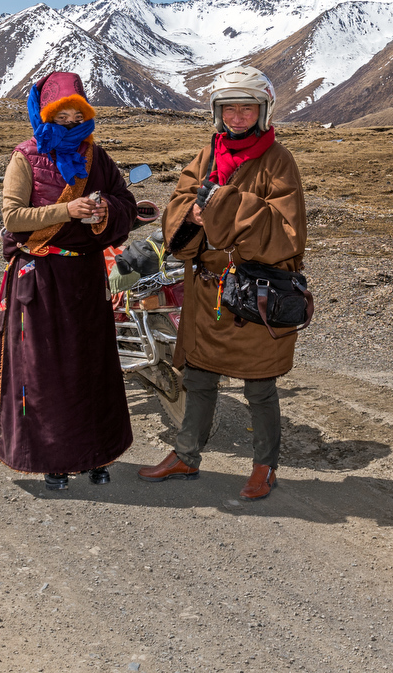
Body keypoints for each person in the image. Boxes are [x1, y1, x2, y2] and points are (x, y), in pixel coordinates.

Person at [138, 65, 307, 500]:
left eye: (246, 107)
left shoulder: (278, 160)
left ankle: (264, 467)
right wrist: (192, 214)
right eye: (228, 108)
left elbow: (287, 231)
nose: (237, 116)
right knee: (199, 376)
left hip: (255, 292)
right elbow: (180, 203)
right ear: (216, 112)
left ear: (263, 111)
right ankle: (186, 455)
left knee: (259, 384)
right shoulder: (207, 156)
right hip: (208, 289)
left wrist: (221, 205)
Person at [0, 71, 137, 491]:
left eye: (78, 113)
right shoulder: (25, 156)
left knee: (93, 369)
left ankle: (97, 455)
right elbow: (13, 218)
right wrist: (67, 212)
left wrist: (104, 209)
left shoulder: (97, 157)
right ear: (45, 114)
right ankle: (53, 459)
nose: (71, 122)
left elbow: (124, 201)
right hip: (42, 277)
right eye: (62, 114)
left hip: (86, 277)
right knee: (46, 372)